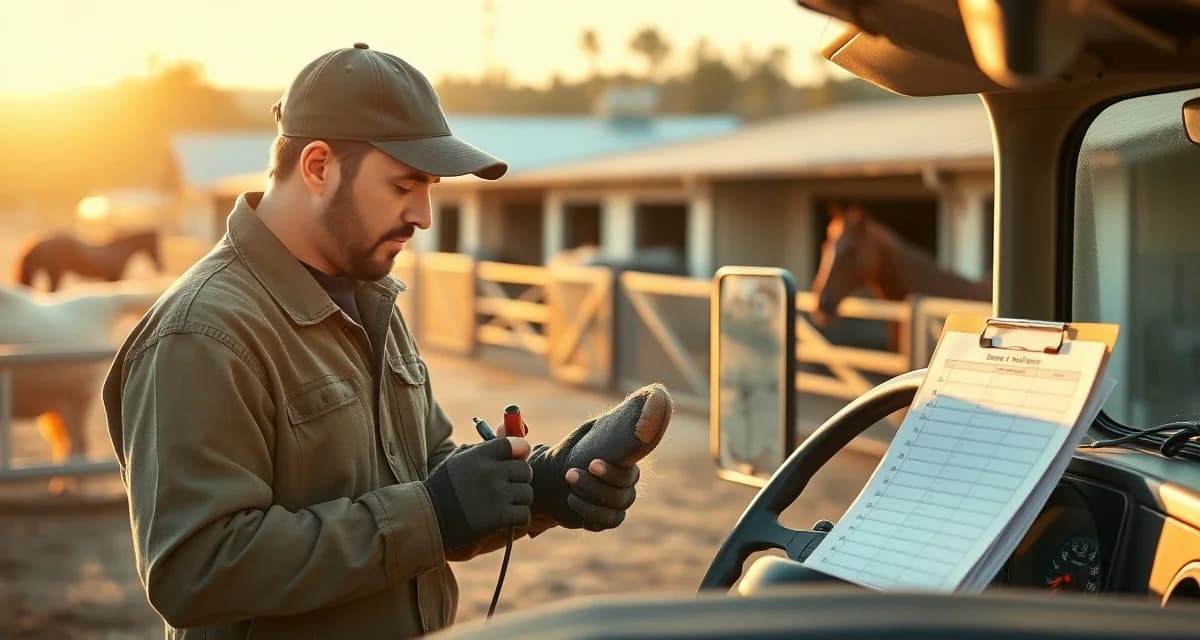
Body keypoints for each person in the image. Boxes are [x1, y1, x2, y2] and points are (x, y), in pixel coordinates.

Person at [101, 43, 672, 639]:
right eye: (404, 186)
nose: (424, 216)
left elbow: (428, 471)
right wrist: (432, 516)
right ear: (318, 167)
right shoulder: (203, 333)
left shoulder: (369, 296)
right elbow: (194, 570)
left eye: (429, 188)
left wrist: (544, 488)